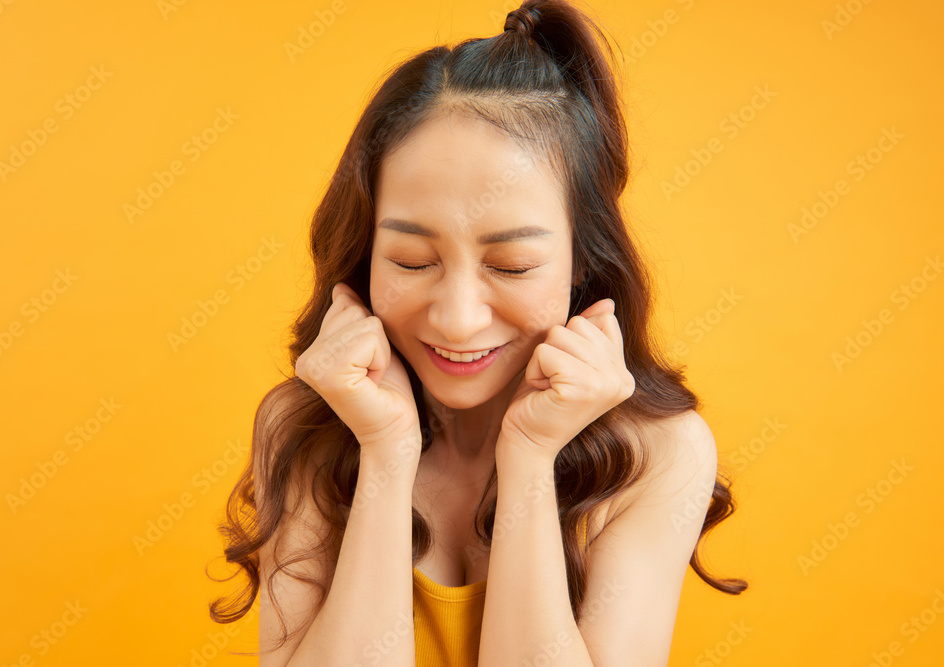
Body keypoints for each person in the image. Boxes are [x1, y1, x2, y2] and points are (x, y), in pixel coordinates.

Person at [209, 0, 748, 664]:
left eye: (512, 264)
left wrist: (528, 460)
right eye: (411, 260)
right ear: (365, 250)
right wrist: (384, 449)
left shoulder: (661, 453)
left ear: (584, 257)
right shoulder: (306, 427)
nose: (458, 317)